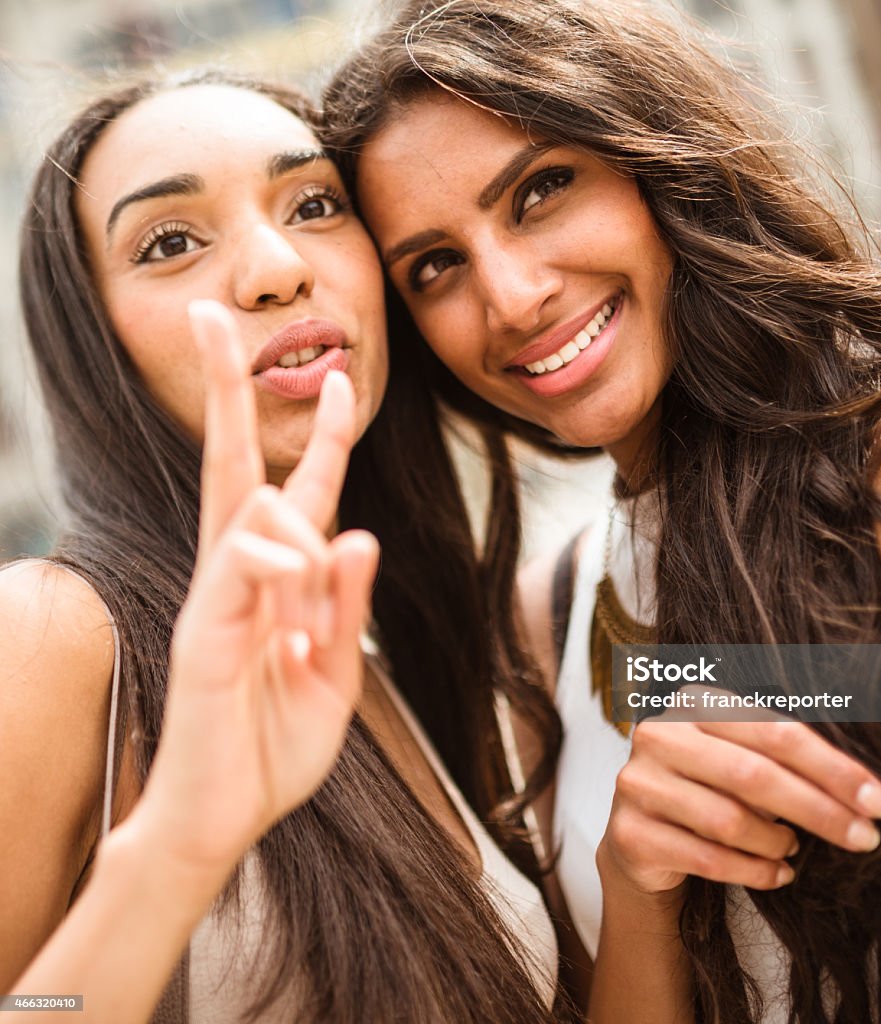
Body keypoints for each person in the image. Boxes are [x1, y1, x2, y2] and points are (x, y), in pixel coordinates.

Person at [323, 1, 881, 1021]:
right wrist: (641, 889)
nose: (511, 297)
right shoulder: (547, 619)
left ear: (659, 165)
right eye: (435, 266)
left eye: (539, 190)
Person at [5, 71, 560, 1022]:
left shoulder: (416, 651)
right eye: (170, 242)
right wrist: (176, 845)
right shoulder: (49, 636)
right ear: (96, 347)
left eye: (314, 205)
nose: (276, 268)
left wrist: (638, 874)